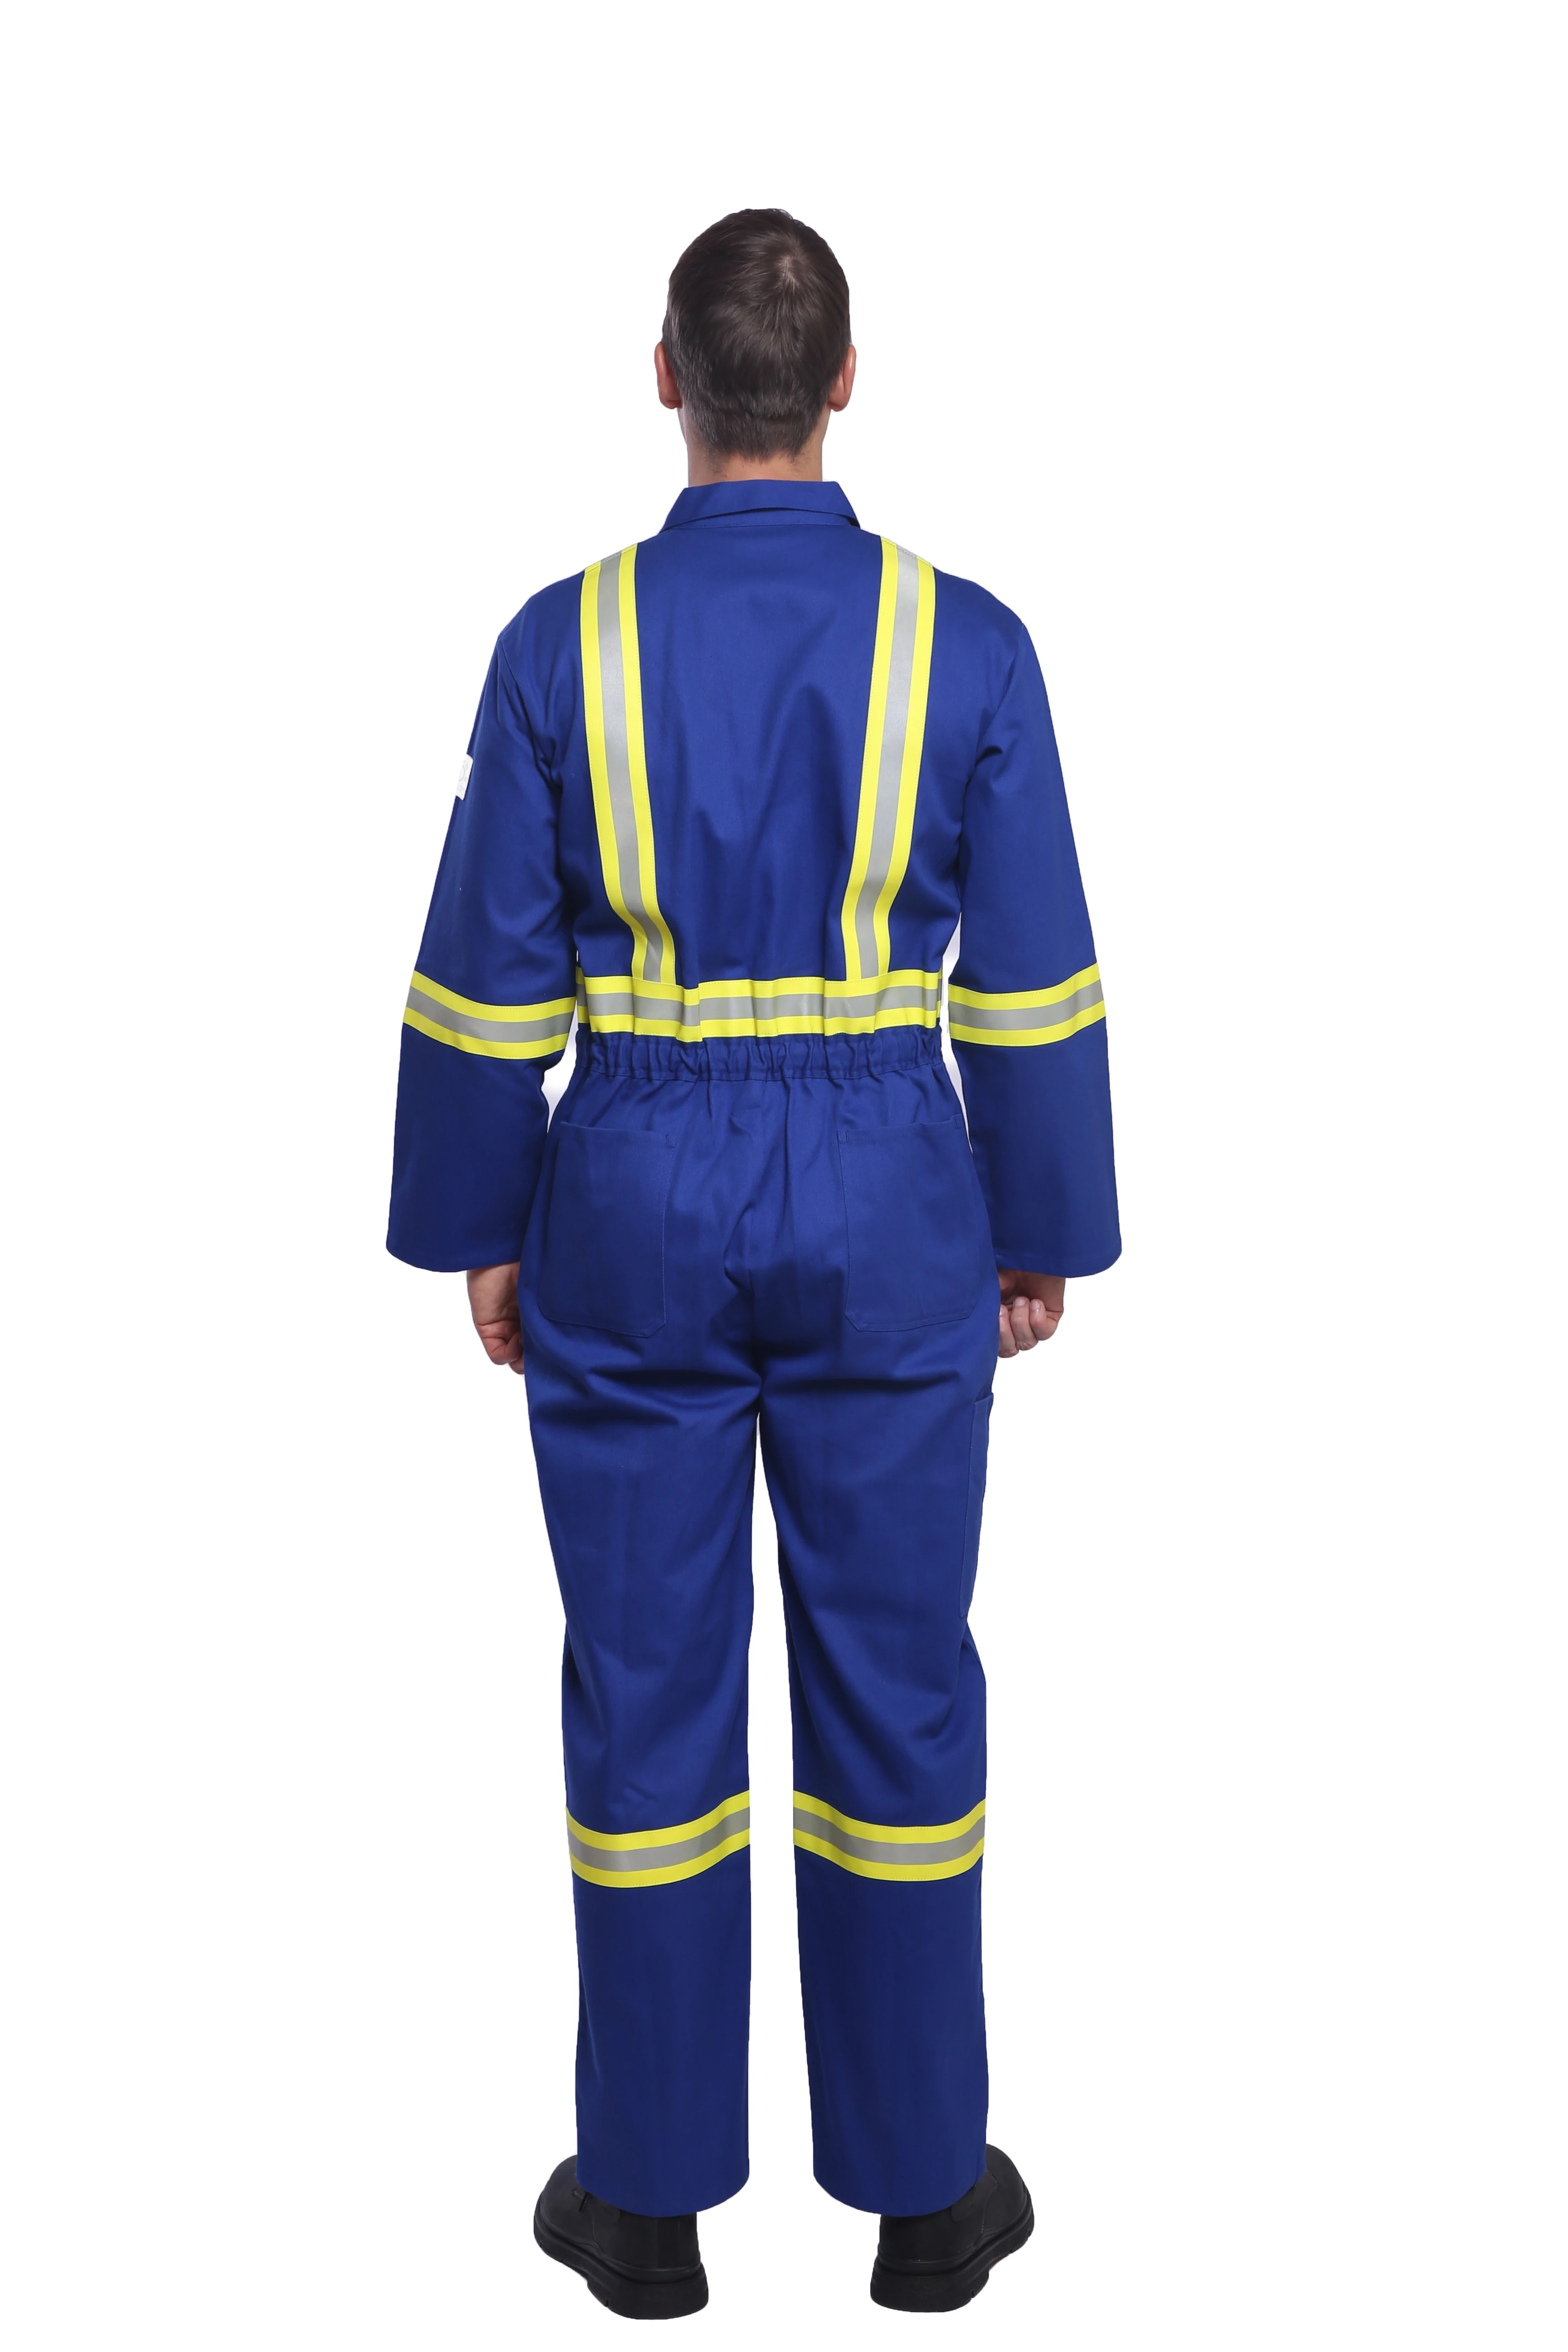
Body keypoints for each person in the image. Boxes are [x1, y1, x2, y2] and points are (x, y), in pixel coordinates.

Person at [387, 207, 1120, 2319]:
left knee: (648, 1693)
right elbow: (1036, 983)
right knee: (898, 1685)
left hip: (629, 1207)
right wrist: (1039, 1227)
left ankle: (645, 2208)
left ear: (667, 378)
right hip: (894, 1206)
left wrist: (483, 1230)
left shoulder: (563, 646)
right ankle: (923, 2199)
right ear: (846, 385)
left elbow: (482, 984)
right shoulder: (969, 646)